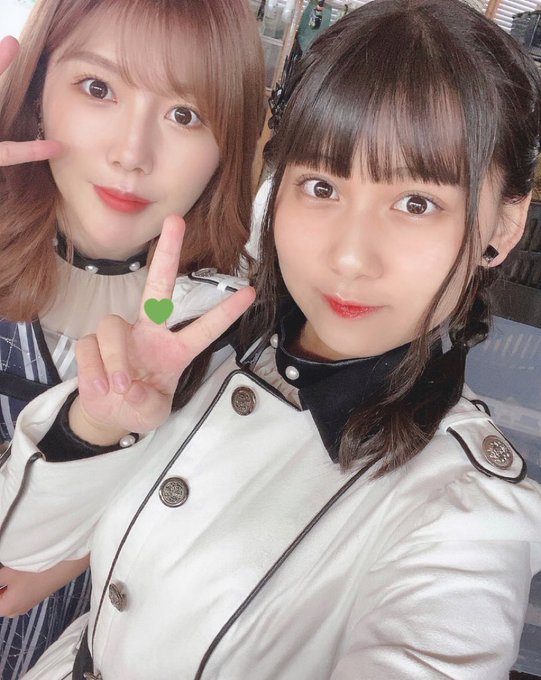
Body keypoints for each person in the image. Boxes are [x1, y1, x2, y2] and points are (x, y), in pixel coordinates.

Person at [2, 0, 541, 678]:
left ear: (504, 226)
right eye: (321, 186)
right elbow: (18, 546)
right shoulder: (196, 328)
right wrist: (97, 426)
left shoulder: (465, 514)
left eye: (416, 204)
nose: (350, 256)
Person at [0, 0, 264, 677]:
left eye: (185, 114)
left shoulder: (226, 328)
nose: (131, 154)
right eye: (98, 88)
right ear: (36, 95)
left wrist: (70, 561)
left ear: (227, 146)